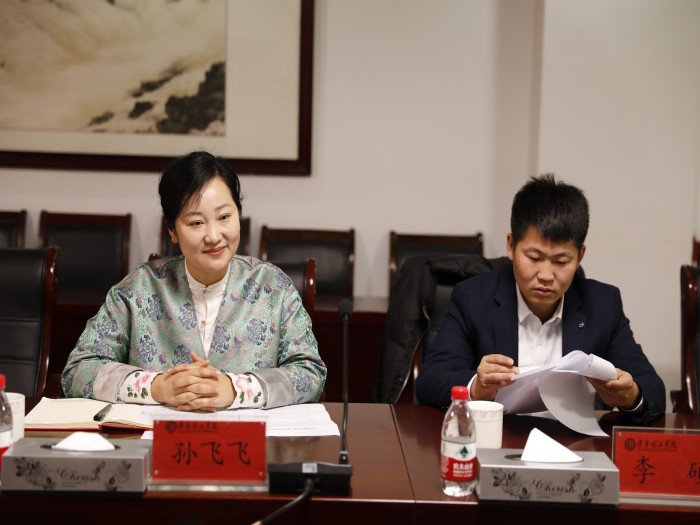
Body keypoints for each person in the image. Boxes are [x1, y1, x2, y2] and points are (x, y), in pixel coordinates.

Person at [61, 151, 326, 411]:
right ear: (172, 231)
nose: (213, 236)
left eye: (224, 217)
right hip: (157, 437)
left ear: (239, 215)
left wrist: (235, 390)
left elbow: (311, 373)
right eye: (196, 223)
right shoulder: (137, 289)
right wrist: (156, 387)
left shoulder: (274, 287)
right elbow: (78, 371)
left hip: (247, 439)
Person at [415, 174, 665, 425]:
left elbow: (653, 389)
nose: (546, 275)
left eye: (561, 261)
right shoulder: (473, 297)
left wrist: (630, 395)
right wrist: (477, 388)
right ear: (511, 246)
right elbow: (430, 381)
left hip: (572, 442)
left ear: (580, 256)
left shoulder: (603, 304)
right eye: (534, 258)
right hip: (496, 438)